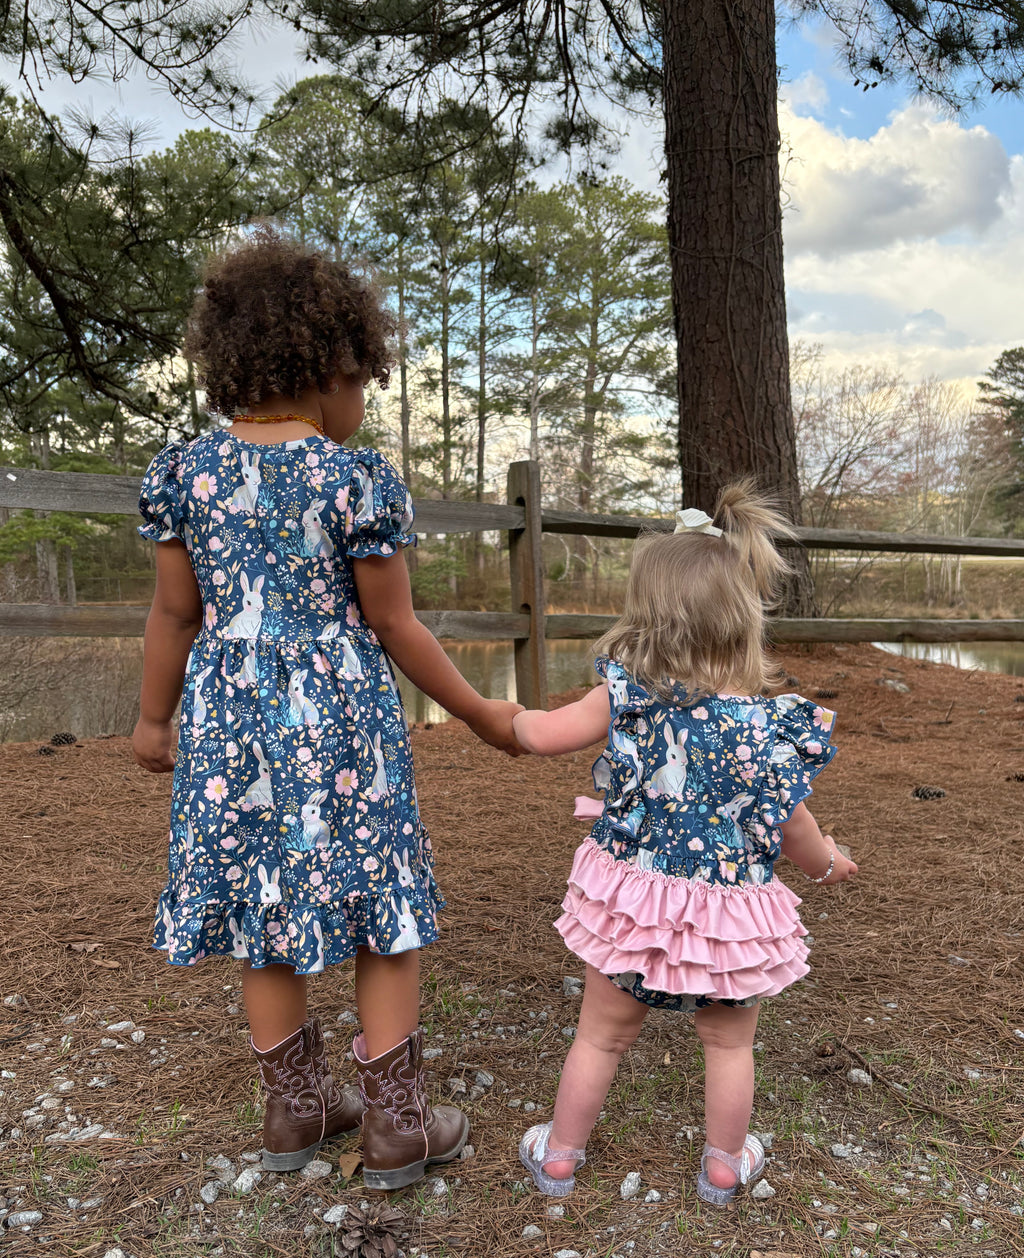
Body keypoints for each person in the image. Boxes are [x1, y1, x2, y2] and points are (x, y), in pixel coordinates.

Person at [132, 226, 522, 1189]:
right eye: (364, 379)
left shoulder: (185, 473)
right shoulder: (355, 479)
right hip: (342, 724)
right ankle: (397, 1126)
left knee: (265, 914)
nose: (364, 400)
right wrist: (481, 711)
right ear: (331, 364)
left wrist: (151, 720)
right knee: (379, 908)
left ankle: (297, 1112)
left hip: (229, 725)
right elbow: (396, 626)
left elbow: (173, 614)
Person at [512, 485, 857, 1204]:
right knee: (729, 1043)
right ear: (739, 623)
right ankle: (725, 1165)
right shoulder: (763, 728)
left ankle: (561, 1157)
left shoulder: (625, 697)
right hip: (727, 913)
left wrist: (497, 716)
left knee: (600, 1036)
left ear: (646, 614)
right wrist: (828, 864)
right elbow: (795, 828)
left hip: (634, 901)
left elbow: (540, 734)